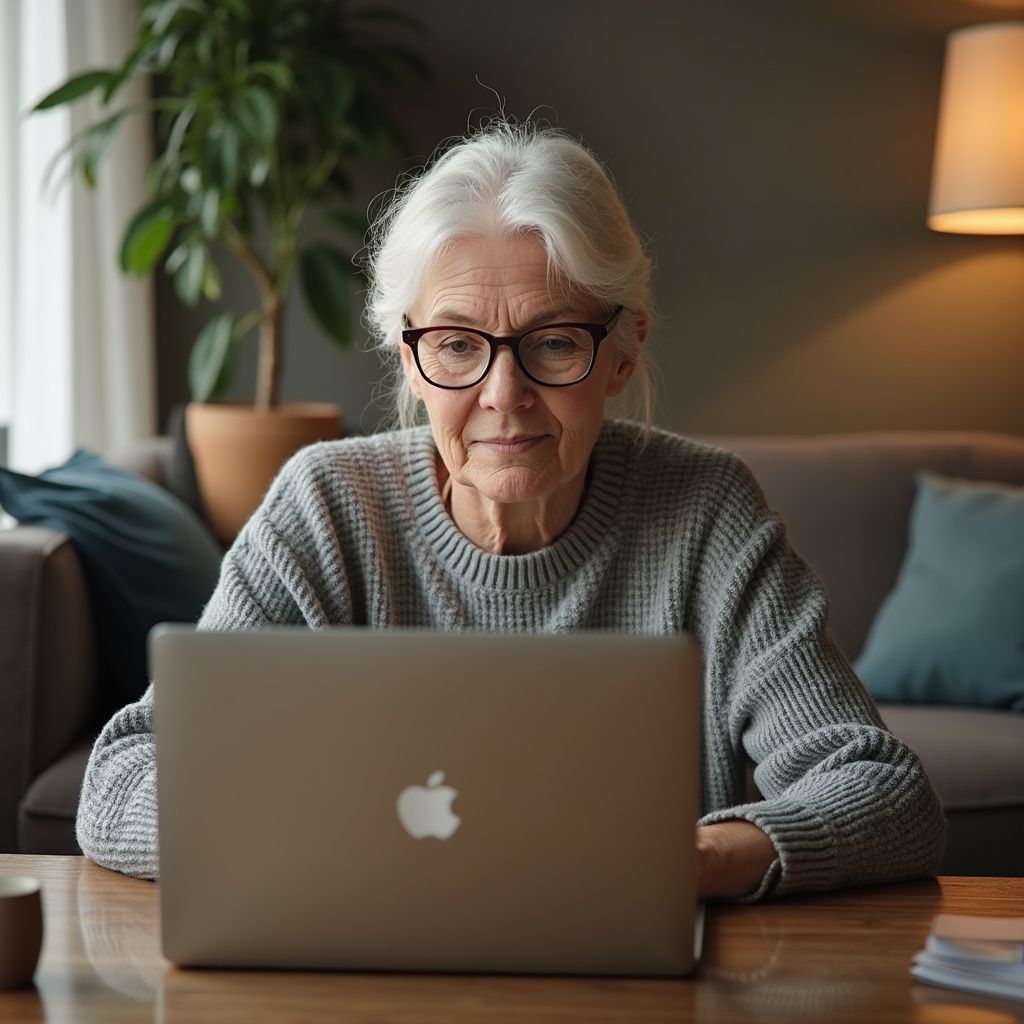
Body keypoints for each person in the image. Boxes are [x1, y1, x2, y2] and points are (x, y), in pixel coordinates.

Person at [76, 121, 946, 898]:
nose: (504, 395)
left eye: (554, 342)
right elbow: (122, 780)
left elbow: (882, 792)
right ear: (410, 360)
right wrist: (332, 848)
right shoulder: (327, 505)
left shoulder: (707, 513)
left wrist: (697, 860)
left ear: (623, 353)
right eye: (456, 345)